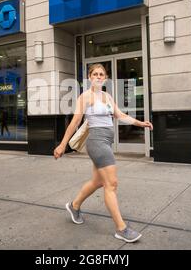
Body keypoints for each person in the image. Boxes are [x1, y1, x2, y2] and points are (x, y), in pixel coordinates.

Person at [53, 64, 153, 243]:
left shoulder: (107, 96)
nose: (98, 77)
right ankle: (121, 229)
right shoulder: (85, 97)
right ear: (89, 77)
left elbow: (120, 115)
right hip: (97, 142)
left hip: (106, 141)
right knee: (111, 184)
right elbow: (75, 122)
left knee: (98, 181)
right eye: (95, 74)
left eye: (101, 74)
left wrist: (141, 123)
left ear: (105, 78)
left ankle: (74, 206)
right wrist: (62, 145)